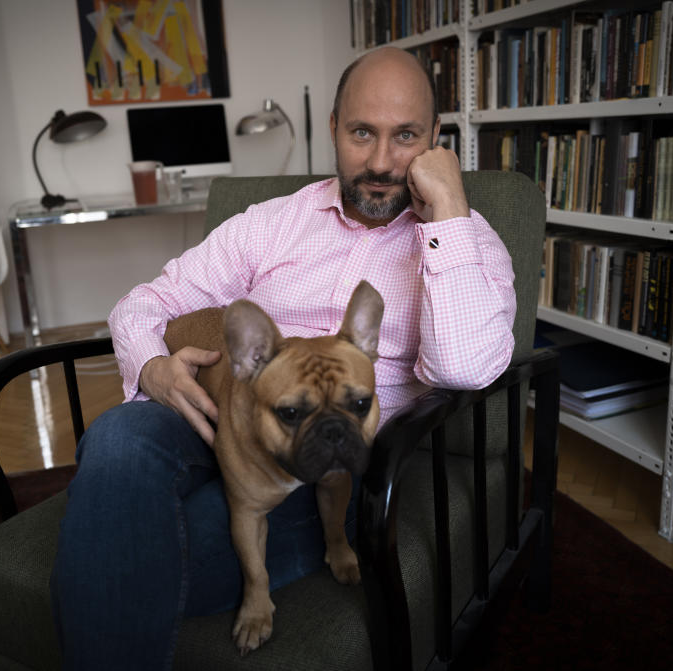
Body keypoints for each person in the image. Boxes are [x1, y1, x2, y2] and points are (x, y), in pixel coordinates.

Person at [50, 46, 516, 670]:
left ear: (436, 140)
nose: (381, 162)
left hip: (332, 468)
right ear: (332, 128)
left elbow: (464, 367)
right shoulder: (270, 225)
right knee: (117, 439)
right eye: (361, 133)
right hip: (217, 411)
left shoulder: (469, 244)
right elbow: (144, 303)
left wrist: (450, 210)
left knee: (131, 544)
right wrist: (153, 365)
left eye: (405, 136)